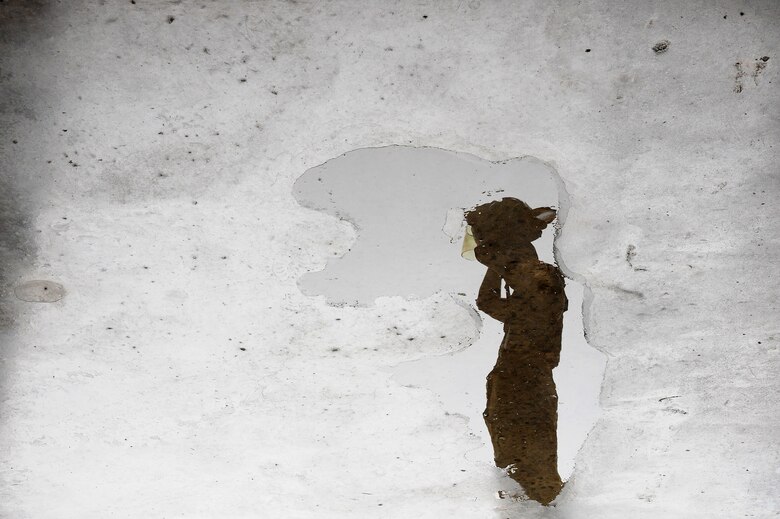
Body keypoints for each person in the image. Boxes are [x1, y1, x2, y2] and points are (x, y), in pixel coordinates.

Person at [465, 197, 567, 505]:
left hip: (526, 379)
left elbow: (496, 301)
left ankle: (536, 504)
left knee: (529, 462)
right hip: (515, 377)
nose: (487, 256)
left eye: (491, 248)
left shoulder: (541, 280)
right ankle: (526, 503)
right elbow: (489, 302)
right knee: (513, 458)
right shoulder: (530, 282)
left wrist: (501, 263)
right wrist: (499, 267)